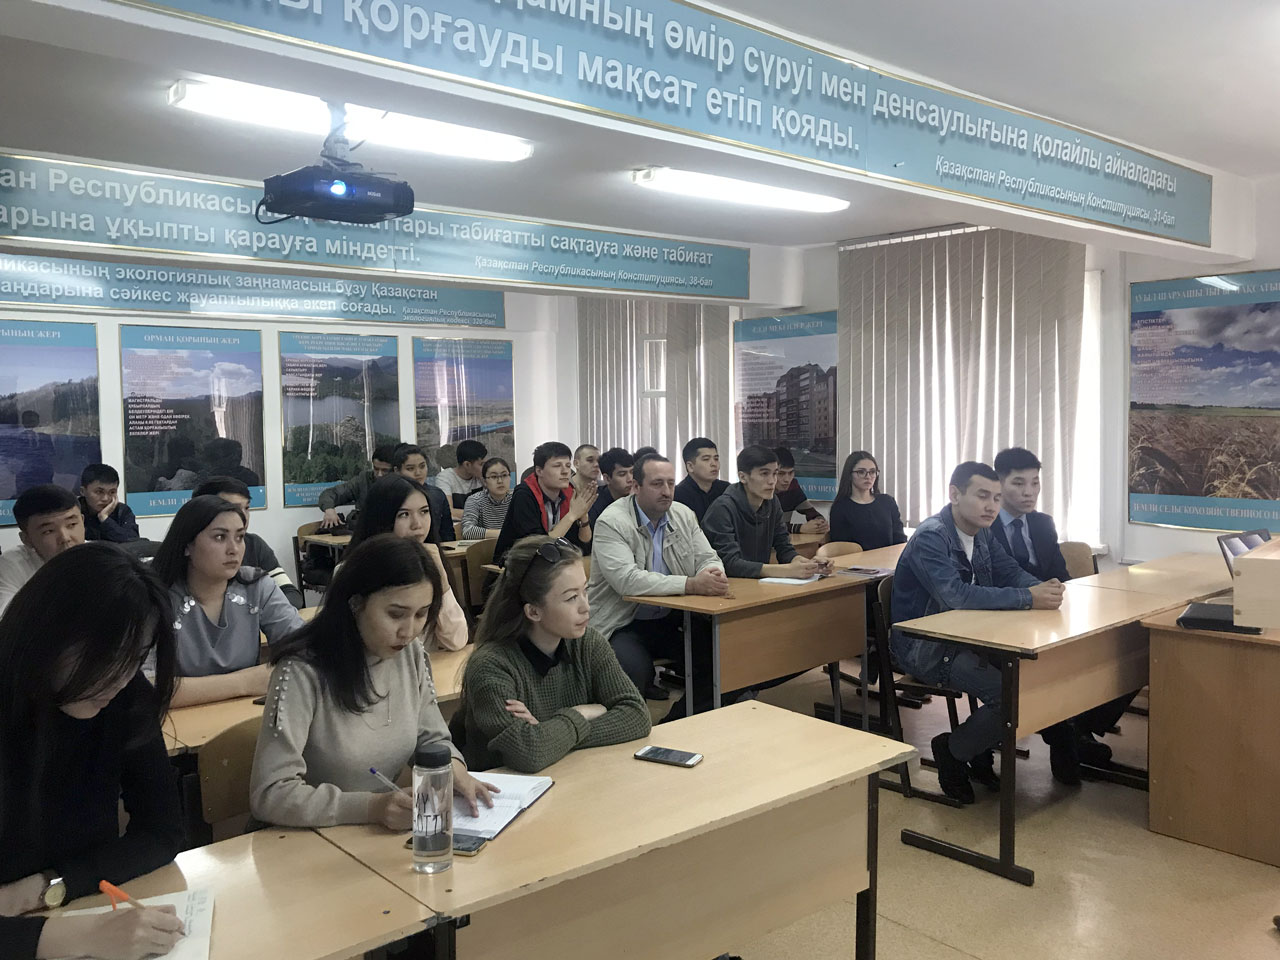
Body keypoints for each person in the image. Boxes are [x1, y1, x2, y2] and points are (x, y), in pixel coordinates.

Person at [0, 544, 186, 960]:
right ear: (46, 633)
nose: (118, 678)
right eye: (104, 654)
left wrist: (49, 886)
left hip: (77, 911)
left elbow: (161, 831)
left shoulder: (125, 697)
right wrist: (66, 938)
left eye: (136, 657)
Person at [249, 535, 497, 828]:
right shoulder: (302, 670)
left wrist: (453, 769)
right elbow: (270, 793)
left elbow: (432, 739)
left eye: (421, 614)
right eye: (396, 614)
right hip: (305, 836)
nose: (409, 631)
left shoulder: (411, 653)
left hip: (375, 832)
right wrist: (370, 808)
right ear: (356, 604)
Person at [890, 461, 1075, 805]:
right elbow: (955, 596)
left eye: (996, 498)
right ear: (955, 494)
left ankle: (982, 746)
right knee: (1009, 695)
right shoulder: (932, 537)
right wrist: (1028, 597)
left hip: (972, 637)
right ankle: (952, 751)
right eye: (982, 496)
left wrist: (1042, 589)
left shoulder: (983, 532)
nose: (992, 506)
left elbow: (1009, 571)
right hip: (927, 647)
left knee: (1039, 674)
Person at [457, 536, 651, 772]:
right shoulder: (491, 666)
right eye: (571, 598)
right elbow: (529, 752)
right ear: (533, 612)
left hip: (569, 777)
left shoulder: (587, 643)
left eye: (585, 591)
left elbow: (637, 716)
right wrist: (580, 713)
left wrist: (548, 731)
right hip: (505, 789)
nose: (586, 607)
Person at [991, 447, 1134, 766]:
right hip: (1008, 621)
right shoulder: (985, 526)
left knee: (1126, 648)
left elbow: (1061, 576)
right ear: (998, 484)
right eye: (1018, 483)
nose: (1029, 492)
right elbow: (991, 584)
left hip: (1050, 616)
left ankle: (1081, 726)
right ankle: (1063, 731)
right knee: (1053, 667)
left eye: (1035, 483)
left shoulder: (1042, 523)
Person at [589, 454, 729, 719]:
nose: (666, 491)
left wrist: (712, 574)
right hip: (622, 621)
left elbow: (708, 557)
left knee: (722, 658)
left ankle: (680, 722)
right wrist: (691, 584)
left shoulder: (683, 514)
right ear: (636, 487)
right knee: (633, 670)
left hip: (672, 618)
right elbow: (627, 580)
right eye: (657, 484)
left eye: (671, 483)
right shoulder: (612, 521)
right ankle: (629, 728)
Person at [152, 496, 304, 707]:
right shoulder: (153, 596)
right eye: (220, 537)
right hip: (176, 721)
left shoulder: (256, 585)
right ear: (187, 545)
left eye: (240, 537)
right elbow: (145, 687)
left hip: (244, 714)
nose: (234, 549)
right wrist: (245, 682)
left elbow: (306, 653)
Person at [348, 475, 468, 652]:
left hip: (427, 666)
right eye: (404, 514)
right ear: (381, 519)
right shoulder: (353, 571)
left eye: (424, 512)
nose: (417, 524)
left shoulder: (431, 562)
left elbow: (456, 640)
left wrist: (441, 579)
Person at [701, 445, 828, 580]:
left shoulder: (772, 503)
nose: (772, 481)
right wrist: (786, 570)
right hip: (726, 584)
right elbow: (730, 564)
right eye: (764, 474)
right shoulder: (722, 509)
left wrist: (805, 563)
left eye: (775, 473)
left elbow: (784, 548)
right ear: (743, 477)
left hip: (757, 583)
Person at [193, 477, 305, 608]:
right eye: (233, 509)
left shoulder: (254, 544)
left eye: (246, 508)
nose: (243, 517)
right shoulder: (192, 549)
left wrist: (257, 613)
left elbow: (291, 594)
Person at [493, 442, 595, 565]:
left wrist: (583, 515)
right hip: (517, 565)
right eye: (557, 466)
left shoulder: (569, 493)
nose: (565, 471)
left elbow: (584, 547)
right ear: (539, 471)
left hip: (554, 564)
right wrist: (572, 515)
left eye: (568, 466)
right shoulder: (524, 495)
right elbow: (539, 548)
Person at [0, 485, 85, 617]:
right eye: (49, 531)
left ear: (83, 522)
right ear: (26, 539)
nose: (65, 538)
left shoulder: (103, 558)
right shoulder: (14, 565)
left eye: (72, 525)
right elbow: (7, 619)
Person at [829, 451, 907, 550]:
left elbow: (900, 540)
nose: (868, 476)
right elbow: (841, 549)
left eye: (872, 472)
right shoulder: (840, 508)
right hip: (855, 559)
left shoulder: (887, 502)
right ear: (849, 475)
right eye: (861, 472)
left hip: (889, 559)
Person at [317, 443, 396, 530]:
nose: (379, 474)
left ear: (395, 470)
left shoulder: (403, 484)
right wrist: (329, 509)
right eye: (376, 469)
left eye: (385, 470)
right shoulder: (363, 480)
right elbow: (329, 494)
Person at [391, 443, 455, 542]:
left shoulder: (437, 495)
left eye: (422, 466)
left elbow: (447, 534)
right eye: (410, 468)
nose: (418, 473)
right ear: (397, 471)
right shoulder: (389, 496)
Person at [774, 447, 830, 536]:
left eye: (791, 473)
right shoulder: (762, 492)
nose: (787, 479)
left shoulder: (793, 487)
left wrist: (820, 523)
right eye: (781, 474)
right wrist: (799, 528)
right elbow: (767, 527)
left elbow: (812, 513)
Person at [78, 463, 140, 543]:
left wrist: (104, 518)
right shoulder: (74, 511)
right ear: (83, 491)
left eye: (112, 492)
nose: (105, 498)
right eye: (99, 492)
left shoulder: (122, 511)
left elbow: (133, 542)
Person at [673, 437, 729, 524]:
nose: (714, 464)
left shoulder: (726, 490)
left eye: (716, 459)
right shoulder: (678, 495)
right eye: (706, 459)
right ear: (690, 466)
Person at [461, 457, 513, 540]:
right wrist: (504, 534)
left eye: (504, 475)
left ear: (510, 477)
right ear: (484, 481)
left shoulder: (517, 498)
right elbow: (467, 531)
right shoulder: (475, 500)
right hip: (485, 547)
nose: (500, 481)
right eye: (494, 477)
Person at [432, 439, 487, 509]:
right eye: (481, 464)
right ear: (467, 465)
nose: (485, 467)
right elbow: (449, 511)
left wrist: (487, 483)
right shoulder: (444, 478)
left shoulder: (480, 477)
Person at [588, 447, 634, 527]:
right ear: (607, 479)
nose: (630, 479)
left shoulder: (640, 497)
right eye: (622, 474)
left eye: (632, 472)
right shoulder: (593, 505)